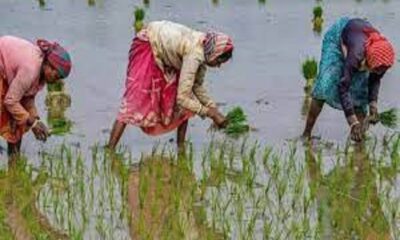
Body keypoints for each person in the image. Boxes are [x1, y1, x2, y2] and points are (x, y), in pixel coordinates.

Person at [107, 20, 234, 152]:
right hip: (148, 44)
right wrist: (209, 113)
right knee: (133, 102)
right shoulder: (194, 56)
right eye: (219, 61)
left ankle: (180, 147)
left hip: (168, 53)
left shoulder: (205, 48)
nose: (219, 66)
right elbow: (182, 98)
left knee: (186, 105)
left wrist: (213, 108)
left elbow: (196, 86)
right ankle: (110, 150)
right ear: (214, 53)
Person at [302, 17, 395, 142]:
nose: (378, 73)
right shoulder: (357, 55)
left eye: (380, 71)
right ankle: (306, 134)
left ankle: (359, 143)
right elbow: (343, 87)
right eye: (376, 70)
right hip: (338, 38)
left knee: (360, 94)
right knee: (324, 85)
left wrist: (373, 105)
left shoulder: (381, 59)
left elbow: (374, 81)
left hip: (360, 45)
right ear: (369, 60)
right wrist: (352, 121)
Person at [0, 36, 72, 159]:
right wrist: (32, 123)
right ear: (49, 65)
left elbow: (28, 97)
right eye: (57, 75)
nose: (56, 81)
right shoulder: (31, 69)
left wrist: (36, 120)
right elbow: (10, 101)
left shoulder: (41, 75)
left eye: (60, 78)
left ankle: (14, 163)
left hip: (9, 73)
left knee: (18, 118)